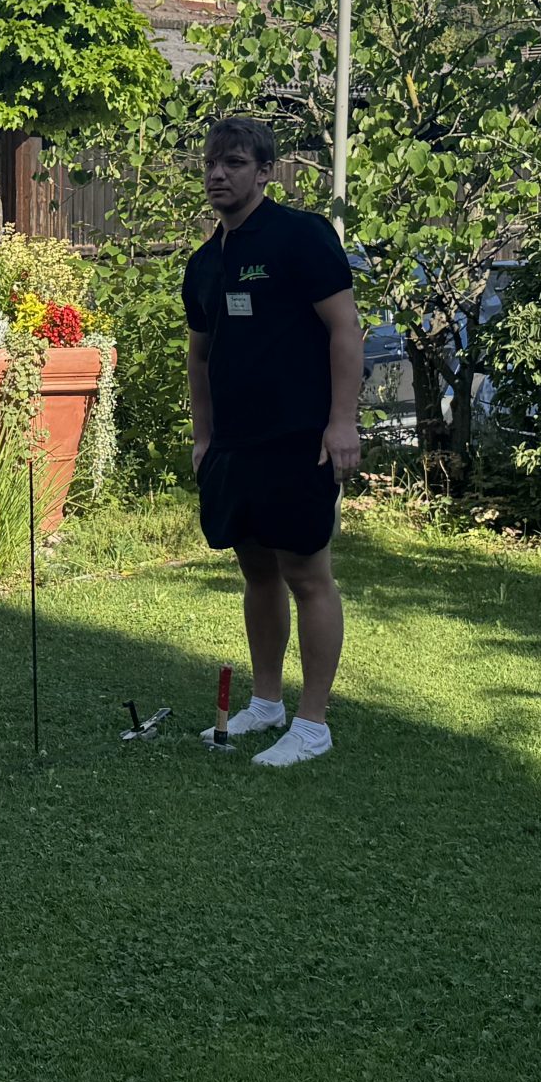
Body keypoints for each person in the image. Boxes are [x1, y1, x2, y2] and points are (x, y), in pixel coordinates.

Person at [182, 116, 364, 767]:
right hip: (235, 446)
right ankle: (266, 703)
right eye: (211, 163)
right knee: (257, 571)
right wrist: (204, 436)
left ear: (264, 172)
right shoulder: (205, 263)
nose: (217, 174)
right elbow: (199, 358)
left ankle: (312, 725)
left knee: (307, 575)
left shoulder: (300, 237)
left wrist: (341, 423)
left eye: (233, 163)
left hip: (300, 439)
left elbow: (345, 330)